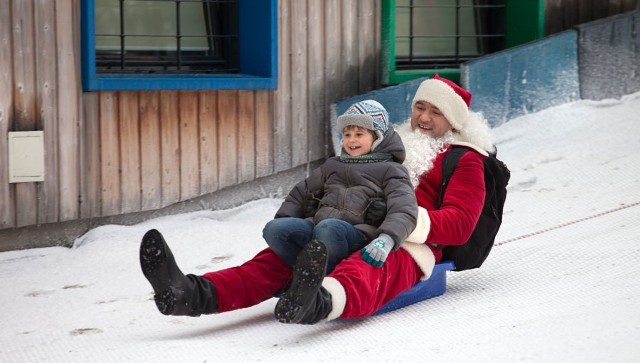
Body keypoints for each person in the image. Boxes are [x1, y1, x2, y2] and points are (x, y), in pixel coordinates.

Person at [139, 74, 496, 324]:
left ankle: (319, 302)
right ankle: (191, 294)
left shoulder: (464, 159)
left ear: (452, 120)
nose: (424, 118)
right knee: (272, 262)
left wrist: (400, 221)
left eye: (436, 112)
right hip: (345, 223)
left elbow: (462, 223)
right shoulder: (385, 143)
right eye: (420, 107)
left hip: (406, 240)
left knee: (368, 268)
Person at [263, 99, 417, 274]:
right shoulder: (332, 165)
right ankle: (304, 273)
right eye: (347, 134)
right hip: (319, 228)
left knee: (328, 228)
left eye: (359, 134)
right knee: (274, 229)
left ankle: (323, 279)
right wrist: (286, 217)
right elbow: (300, 192)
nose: (351, 140)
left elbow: (404, 209)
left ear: (377, 137)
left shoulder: (391, 170)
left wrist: (386, 239)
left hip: (358, 236)